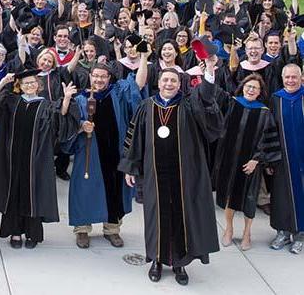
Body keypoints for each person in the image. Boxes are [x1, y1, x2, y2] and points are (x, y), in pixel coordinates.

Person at [120, 64, 224, 286]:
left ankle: (179, 262)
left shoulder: (189, 105)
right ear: (158, 83)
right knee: (155, 217)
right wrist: (130, 167)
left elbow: (206, 98)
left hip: (183, 174)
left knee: (180, 215)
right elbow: (134, 138)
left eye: (173, 81)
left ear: (180, 84)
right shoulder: (146, 106)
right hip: (154, 174)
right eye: (165, 80)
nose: (169, 84)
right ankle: (157, 260)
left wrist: (210, 71)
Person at [0, 69, 78, 248]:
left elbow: (60, 116)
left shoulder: (45, 104)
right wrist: (2, 83)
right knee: (13, 191)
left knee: (32, 194)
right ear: (20, 86)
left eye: (32, 82)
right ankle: (15, 232)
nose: (29, 85)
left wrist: (67, 97)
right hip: (13, 158)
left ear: (38, 85)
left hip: (35, 159)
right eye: (25, 83)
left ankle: (33, 234)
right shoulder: (12, 102)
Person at [66, 62, 146, 249]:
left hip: (114, 152)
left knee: (114, 189)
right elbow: (67, 124)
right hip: (88, 153)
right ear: (90, 76)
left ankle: (112, 229)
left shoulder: (116, 93)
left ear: (109, 78)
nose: (99, 80)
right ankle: (82, 229)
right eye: (96, 76)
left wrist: (143, 57)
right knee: (84, 189)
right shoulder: (80, 99)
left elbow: (138, 86)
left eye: (103, 76)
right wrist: (80, 126)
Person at [213, 73, 281, 250]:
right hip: (229, 161)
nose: (251, 90)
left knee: (249, 200)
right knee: (229, 197)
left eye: (255, 88)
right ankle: (228, 229)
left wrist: (256, 160)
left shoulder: (264, 112)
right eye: (248, 86)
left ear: (260, 92)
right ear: (243, 87)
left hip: (250, 164)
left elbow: (268, 140)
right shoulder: (233, 104)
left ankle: (246, 233)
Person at [269, 63, 304, 253]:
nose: (291, 80)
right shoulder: (276, 99)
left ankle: (299, 234)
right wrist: (270, 158)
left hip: (302, 157)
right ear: (282, 78)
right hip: (281, 157)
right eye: (287, 77)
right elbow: (269, 129)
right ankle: (282, 232)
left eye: (294, 77)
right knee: (281, 196)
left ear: (301, 78)